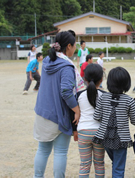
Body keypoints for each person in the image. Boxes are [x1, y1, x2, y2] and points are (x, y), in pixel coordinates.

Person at [33, 31, 84, 178]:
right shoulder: (66, 66)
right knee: (60, 152)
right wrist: (77, 110)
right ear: (69, 46)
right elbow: (66, 92)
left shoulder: (48, 61)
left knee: (42, 150)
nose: (75, 48)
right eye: (74, 45)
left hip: (42, 113)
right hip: (59, 115)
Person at [92, 67, 135, 178]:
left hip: (104, 137)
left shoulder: (103, 97)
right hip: (121, 139)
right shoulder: (129, 100)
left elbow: (96, 116)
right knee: (118, 168)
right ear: (127, 83)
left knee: (115, 163)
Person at [74, 64, 105, 178]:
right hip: (99, 133)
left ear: (85, 79)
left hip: (83, 131)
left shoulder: (78, 95)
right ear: (101, 79)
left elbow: (74, 114)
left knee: (84, 165)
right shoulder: (104, 95)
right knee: (99, 164)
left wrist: (74, 131)